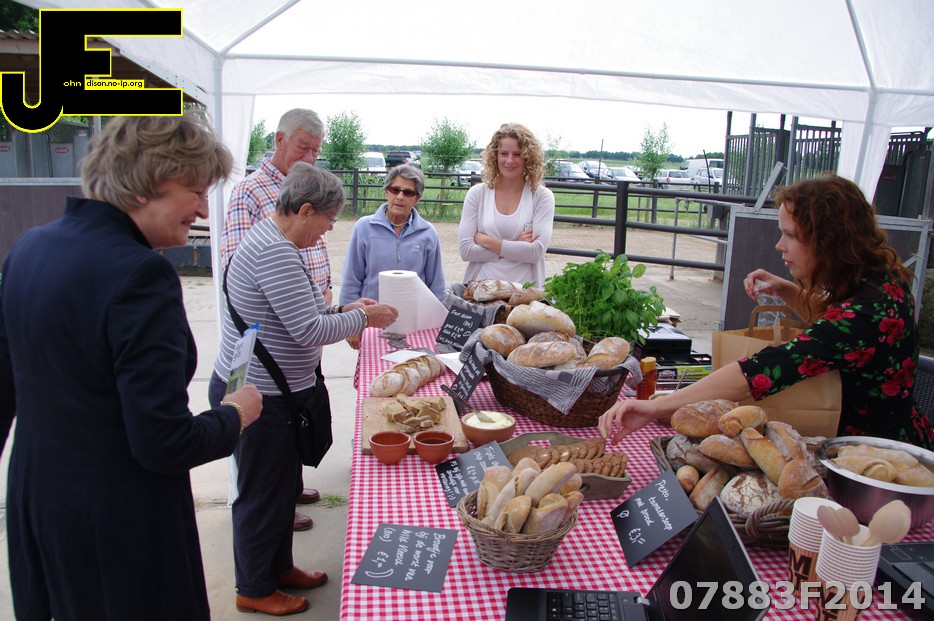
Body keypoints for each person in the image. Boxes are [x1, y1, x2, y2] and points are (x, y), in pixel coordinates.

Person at [0, 115, 263, 620]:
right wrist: (235, 414)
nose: (203, 209)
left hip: (38, 500)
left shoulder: (29, 247)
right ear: (146, 185)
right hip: (117, 522)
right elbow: (163, 442)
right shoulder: (140, 274)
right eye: (195, 190)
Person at [599, 173, 934, 450]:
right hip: (875, 440)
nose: (779, 245)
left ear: (829, 241)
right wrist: (786, 289)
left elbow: (760, 371)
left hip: (877, 460)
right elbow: (833, 324)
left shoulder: (867, 313)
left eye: (791, 235)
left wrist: (655, 406)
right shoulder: (882, 280)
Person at [209, 162, 398, 616]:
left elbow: (307, 311)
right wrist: (364, 318)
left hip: (267, 393)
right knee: (261, 496)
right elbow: (308, 330)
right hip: (260, 398)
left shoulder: (274, 240)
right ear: (306, 209)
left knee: (278, 493)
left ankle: (277, 569)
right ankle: (254, 588)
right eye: (328, 220)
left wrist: (346, 310)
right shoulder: (275, 251)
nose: (329, 229)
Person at [221, 107, 328, 530]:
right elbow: (236, 268)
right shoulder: (250, 191)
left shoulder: (303, 189)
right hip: (270, 347)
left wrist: (324, 296)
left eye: (316, 150)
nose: (310, 157)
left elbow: (313, 254)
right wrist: (318, 311)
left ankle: (288, 485)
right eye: (303, 147)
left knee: (291, 426)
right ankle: (277, 501)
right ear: (279, 139)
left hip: (302, 324)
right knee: (264, 472)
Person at [340, 164, 445, 349]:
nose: (400, 197)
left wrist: (437, 325)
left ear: (417, 198)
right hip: (371, 322)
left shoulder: (428, 233)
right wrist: (350, 323)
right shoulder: (364, 228)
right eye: (395, 189)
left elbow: (436, 285)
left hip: (415, 324)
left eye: (408, 192)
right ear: (386, 191)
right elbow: (352, 279)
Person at [458, 122, 555, 287]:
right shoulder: (477, 194)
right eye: (504, 153)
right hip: (479, 290)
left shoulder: (542, 197)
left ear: (528, 157)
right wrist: (516, 246)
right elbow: (466, 251)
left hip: (526, 294)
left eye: (517, 154)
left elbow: (536, 252)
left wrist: (487, 241)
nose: (510, 160)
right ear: (495, 156)